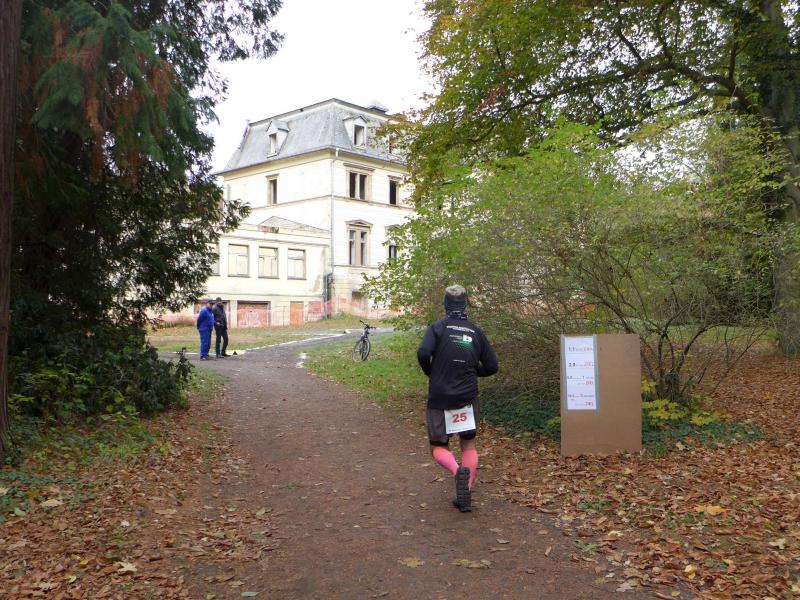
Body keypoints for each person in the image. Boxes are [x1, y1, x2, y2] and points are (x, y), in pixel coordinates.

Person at [417, 285, 498, 513]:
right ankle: (466, 490)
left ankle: (456, 471)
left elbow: (423, 353)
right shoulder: (475, 332)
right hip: (467, 396)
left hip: (440, 396)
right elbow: (492, 366)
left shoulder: (438, 328)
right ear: (465, 305)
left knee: (438, 446)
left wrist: (430, 370)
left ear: (445, 305)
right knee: (468, 444)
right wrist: (473, 370)